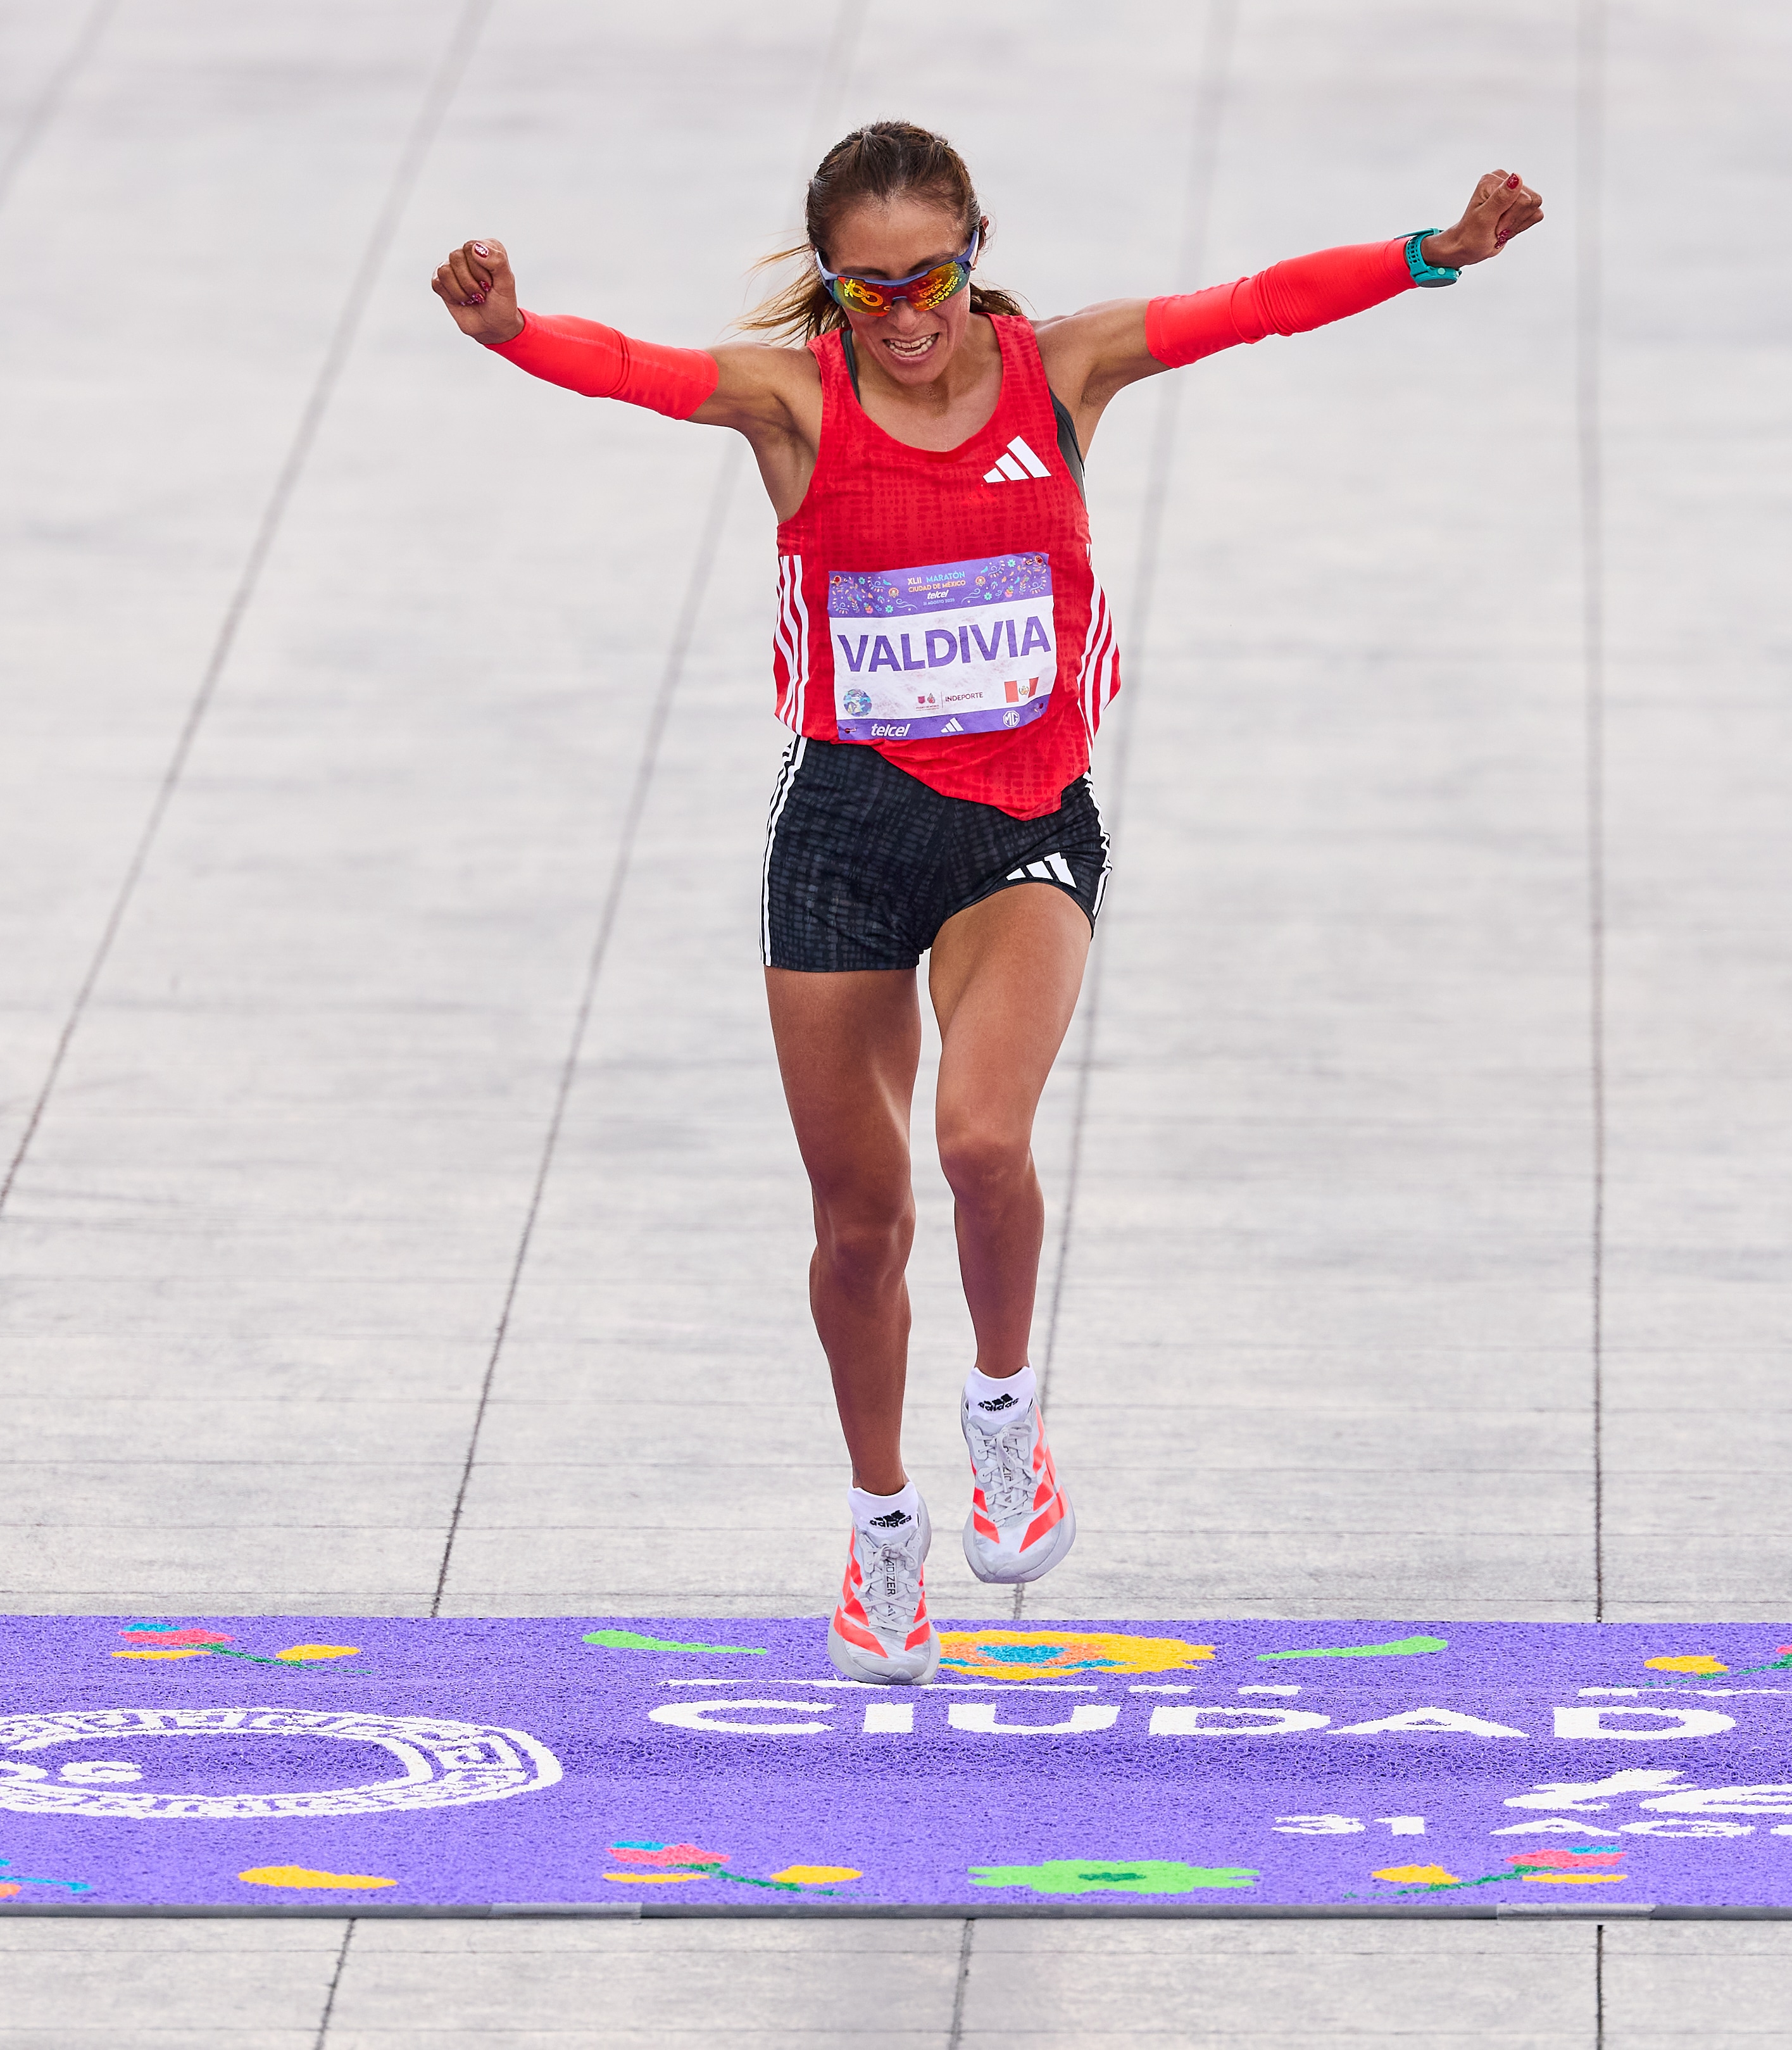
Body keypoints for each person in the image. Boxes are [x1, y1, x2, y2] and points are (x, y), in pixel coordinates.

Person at [433, 120, 1543, 1683]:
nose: (904, 313)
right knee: (858, 1223)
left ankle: (1006, 1420)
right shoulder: (795, 404)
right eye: (867, 287)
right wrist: (507, 331)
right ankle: (884, 1533)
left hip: (1021, 832)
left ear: (976, 254)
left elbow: (1260, 303)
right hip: (840, 834)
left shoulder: (1061, 373)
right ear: (831, 286)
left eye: (931, 276)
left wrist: (1435, 251)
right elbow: (629, 366)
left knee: (981, 1139)